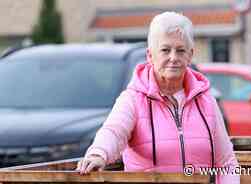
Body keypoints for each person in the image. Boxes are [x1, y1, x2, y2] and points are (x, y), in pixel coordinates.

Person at [76, 12, 240, 184]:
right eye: (165, 50)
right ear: (150, 55)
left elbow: (226, 162)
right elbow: (113, 131)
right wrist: (98, 153)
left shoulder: (206, 101)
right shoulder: (132, 99)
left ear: (190, 55)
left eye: (181, 50)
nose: (173, 58)